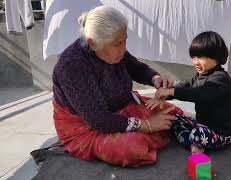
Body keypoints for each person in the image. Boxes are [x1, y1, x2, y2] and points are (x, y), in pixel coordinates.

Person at [52, 6, 182, 166]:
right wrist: (146, 125)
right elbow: (99, 120)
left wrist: (155, 78)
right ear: (92, 43)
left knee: (173, 115)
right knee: (134, 148)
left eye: (125, 40)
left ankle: (152, 132)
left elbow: (135, 67)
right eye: (118, 43)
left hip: (122, 108)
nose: (123, 48)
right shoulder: (71, 66)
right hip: (87, 128)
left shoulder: (111, 48)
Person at [146, 31, 231, 154]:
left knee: (197, 134)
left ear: (216, 56)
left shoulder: (220, 78)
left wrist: (172, 91)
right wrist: (167, 93)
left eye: (201, 57)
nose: (196, 62)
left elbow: (199, 94)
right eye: (194, 57)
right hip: (201, 125)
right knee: (173, 119)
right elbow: (187, 86)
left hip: (220, 133)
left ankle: (193, 142)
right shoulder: (199, 76)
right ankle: (194, 143)